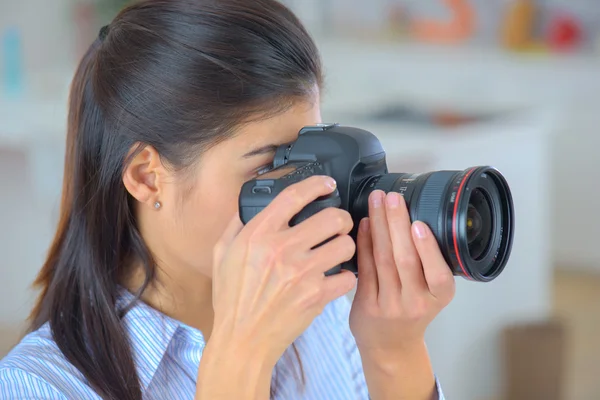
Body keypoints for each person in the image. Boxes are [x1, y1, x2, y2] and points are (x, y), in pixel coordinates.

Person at [0, 0, 456, 399]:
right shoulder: (38, 386)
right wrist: (243, 355)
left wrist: (393, 353)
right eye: (265, 168)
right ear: (146, 177)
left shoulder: (328, 315)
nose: (304, 194)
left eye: (309, 158)